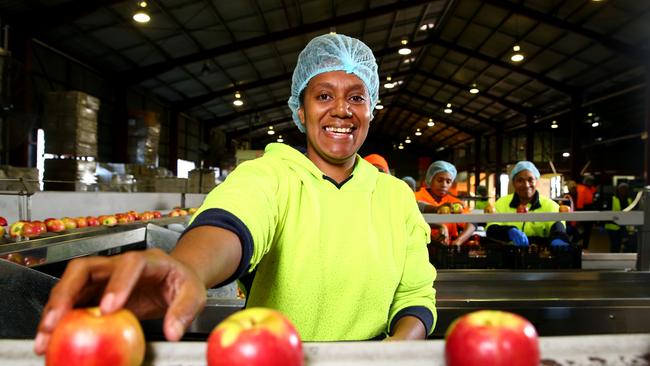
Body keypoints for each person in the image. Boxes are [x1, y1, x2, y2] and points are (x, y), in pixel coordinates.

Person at [33, 33, 436, 355]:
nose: (341, 110)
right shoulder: (270, 176)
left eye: (356, 97)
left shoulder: (394, 197)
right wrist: (189, 269)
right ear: (300, 109)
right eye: (324, 95)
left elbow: (416, 294)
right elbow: (231, 223)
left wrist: (398, 350)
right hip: (268, 357)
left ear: (372, 109)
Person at [486, 161, 570, 247]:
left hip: (538, 254)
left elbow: (558, 228)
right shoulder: (501, 203)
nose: (526, 185)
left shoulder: (550, 205)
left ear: (536, 182)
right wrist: (509, 231)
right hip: (508, 255)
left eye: (530, 180)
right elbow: (491, 229)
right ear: (513, 183)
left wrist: (558, 239)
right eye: (520, 180)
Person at [414, 160, 476, 245]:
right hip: (420, 245)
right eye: (439, 180)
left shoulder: (454, 202)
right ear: (430, 179)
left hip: (446, 248)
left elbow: (472, 222)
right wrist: (438, 228)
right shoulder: (416, 197)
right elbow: (412, 219)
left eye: (448, 181)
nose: (444, 185)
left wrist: (458, 241)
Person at [604, 182, 637, 253]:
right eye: (622, 189)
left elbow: (631, 213)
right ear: (618, 190)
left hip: (625, 227)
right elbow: (606, 212)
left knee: (627, 245)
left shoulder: (629, 200)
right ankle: (613, 260)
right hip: (613, 226)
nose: (623, 190)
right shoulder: (612, 199)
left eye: (625, 189)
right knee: (615, 245)